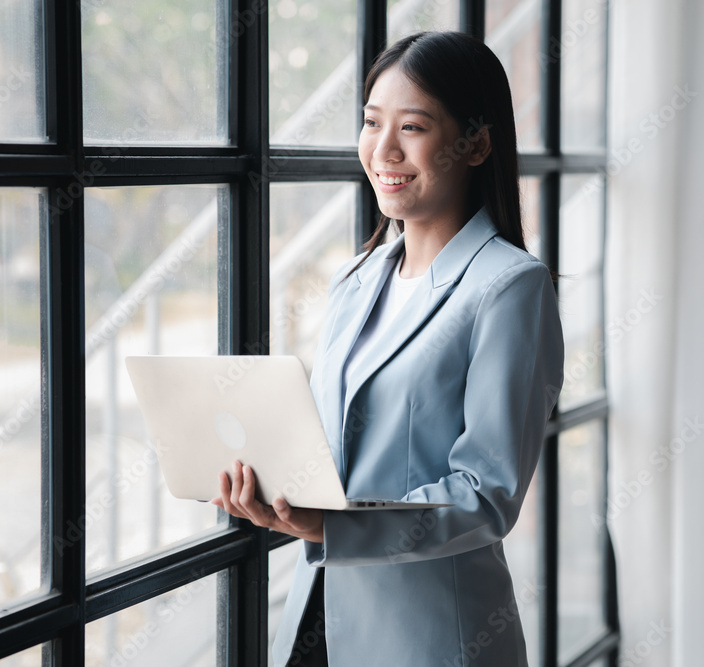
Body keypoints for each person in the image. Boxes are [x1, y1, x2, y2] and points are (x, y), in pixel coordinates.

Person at [211, 30, 565, 666]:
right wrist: (270, 484)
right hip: (317, 621)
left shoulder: (508, 287)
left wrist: (335, 526)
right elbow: (337, 446)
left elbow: (486, 496)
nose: (383, 150)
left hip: (429, 639)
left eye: (414, 127)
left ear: (476, 143)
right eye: (372, 123)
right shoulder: (358, 277)